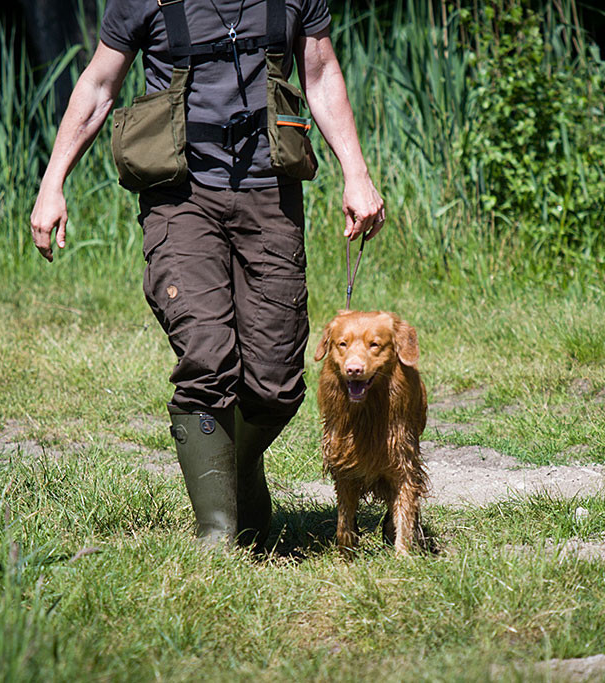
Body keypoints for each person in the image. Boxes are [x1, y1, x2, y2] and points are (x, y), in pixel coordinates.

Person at [29, 0, 384, 550]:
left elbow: (320, 75)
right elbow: (99, 86)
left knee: (278, 381)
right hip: (179, 196)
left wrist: (356, 174)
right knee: (207, 355)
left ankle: (233, 470)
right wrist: (54, 182)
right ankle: (218, 538)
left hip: (270, 191)